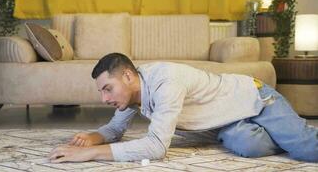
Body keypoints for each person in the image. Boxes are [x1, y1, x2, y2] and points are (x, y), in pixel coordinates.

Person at [49, 53, 318, 163]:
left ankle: (291, 133)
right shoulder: (133, 94)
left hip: (253, 98)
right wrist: (90, 139)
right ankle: (282, 134)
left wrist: (91, 154)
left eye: (108, 89)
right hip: (226, 123)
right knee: (249, 146)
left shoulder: (166, 80)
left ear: (128, 76)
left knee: (305, 148)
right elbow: (116, 128)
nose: (105, 99)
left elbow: (156, 147)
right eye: (101, 92)